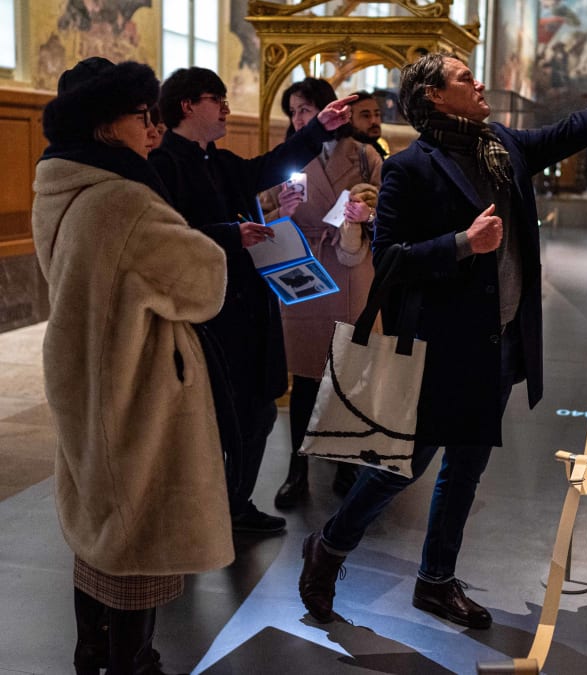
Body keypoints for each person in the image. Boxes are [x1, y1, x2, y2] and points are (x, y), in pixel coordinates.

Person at [299, 49, 587, 628]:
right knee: (400, 467)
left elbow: (579, 127)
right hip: (438, 350)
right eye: (463, 78)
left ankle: (435, 581)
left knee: (465, 470)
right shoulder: (409, 168)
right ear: (433, 97)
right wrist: (461, 244)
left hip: (497, 344)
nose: (479, 83)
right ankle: (328, 549)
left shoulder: (500, 145)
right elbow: (390, 258)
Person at [32, 57, 232, 674]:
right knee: (139, 543)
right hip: (134, 389)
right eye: (140, 117)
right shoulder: (125, 201)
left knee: (97, 529)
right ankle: (132, 662)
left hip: (84, 375)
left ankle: (91, 651)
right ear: (103, 124)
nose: (152, 129)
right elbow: (205, 281)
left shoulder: (57, 185)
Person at [149, 67, 356, 536]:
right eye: (217, 99)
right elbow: (163, 239)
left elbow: (267, 166)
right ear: (187, 106)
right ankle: (207, 508)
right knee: (212, 419)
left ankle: (232, 503)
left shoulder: (219, 162)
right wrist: (231, 234)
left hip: (247, 309)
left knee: (259, 409)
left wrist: (317, 131)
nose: (225, 107)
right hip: (206, 315)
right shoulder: (164, 166)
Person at [260, 78, 383, 508]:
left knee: (347, 372)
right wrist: (280, 210)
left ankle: (345, 463)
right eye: (293, 111)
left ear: (330, 109)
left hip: (351, 268)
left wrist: (367, 213)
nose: (299, 118)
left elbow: (388, 213)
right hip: (304, 267)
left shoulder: (366, 155)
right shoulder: (285, 157)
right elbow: (259, 213)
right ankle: (297, 471)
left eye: (306, 109)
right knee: (307, 376)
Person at [349, 90, 390, 159]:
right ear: (350, 120)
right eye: (366, 116)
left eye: (377, 114)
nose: (373, 121)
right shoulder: (344, 156)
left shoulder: (379, 150)